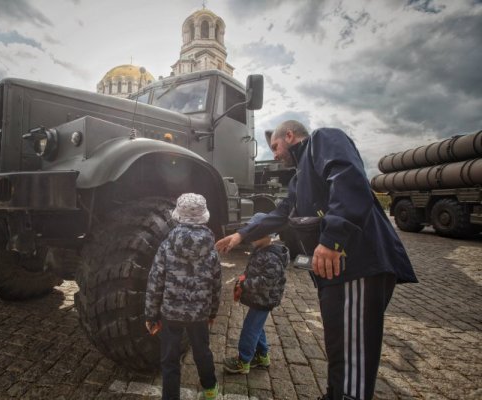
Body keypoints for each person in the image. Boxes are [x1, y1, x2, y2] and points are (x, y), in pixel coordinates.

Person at [215, 120, 418, 400]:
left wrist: (332, 239)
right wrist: (241, 235)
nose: (274, 154)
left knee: (353, 348)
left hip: (356, 264)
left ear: (289, 135)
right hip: (335, 272)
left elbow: (349, 178)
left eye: (275, 146)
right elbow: (282, 212)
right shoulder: (300, 178)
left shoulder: (323, 140)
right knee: (337, 344)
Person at [145, 193, 222, 400]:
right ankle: (210, 390)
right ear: (204, 216)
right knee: (202, 352)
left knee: (169, 360)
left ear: (177, 216)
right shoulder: (211, 250)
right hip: (199, 315)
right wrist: (212, 312)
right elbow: (216, 285)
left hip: (171, 314)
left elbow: (155, 282)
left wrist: (151, 315)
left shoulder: (167, 246)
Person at [223, 212, 289, 375]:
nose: (250, 237)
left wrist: (245, 284)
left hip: (263, 300)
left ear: (267, 234)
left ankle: (243, 361)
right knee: (256, 327)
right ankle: (262, 356)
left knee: (250, 329)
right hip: (260, 299)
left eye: (255, 233)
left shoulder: (271, 256)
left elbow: (266, 281)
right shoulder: (262, 249)